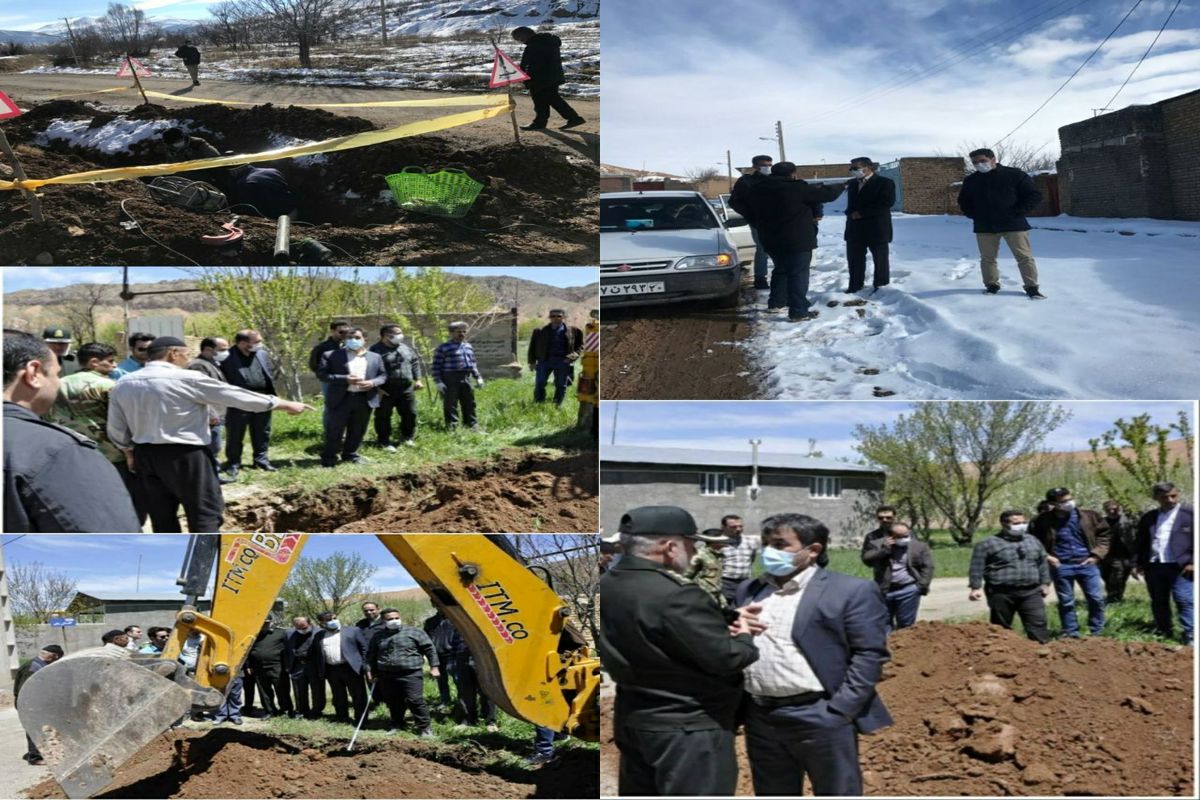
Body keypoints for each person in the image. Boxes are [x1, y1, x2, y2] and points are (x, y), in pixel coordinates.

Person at [600, 505, 760, 796]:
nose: (694, 550)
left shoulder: (610, 584)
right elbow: (727, 657)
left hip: (634, 720)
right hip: (687, 731)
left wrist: (729, 616)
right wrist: (745, 637)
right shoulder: (676, 594)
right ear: (671, 546)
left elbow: (656, 622)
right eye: (691, 543)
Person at [735, 512, 892, 797]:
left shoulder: (850, 591)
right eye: (766, 544)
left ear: (813, 550)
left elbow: (869, 653)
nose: (770, 552)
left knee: (836, 791)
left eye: (781, 545)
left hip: (820, 714)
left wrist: (841, 709)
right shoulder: (750, 589)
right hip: (761, 715)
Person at [108, 336, 312, 532]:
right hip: (186, 456)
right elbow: (235, 395)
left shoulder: (124, 383)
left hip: (145, 456)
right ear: (172, 354)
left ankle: (174, 559)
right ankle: (208, 560)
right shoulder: (185, 378)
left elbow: (116, 426)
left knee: (162, 517)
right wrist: (284, 404)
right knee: (205, 514)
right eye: (185, 354)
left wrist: (128, 451)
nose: (187, 359)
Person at [4, 329, 141, 533]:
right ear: (33, 374)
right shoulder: (58, 453)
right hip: (110, 454)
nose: (58, 381)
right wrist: (128, 449)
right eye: (55, 374)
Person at [50, 341, 148, 525]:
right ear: (94, 362)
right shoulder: (109, 386)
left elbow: (48, 419)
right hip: (113, 455)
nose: (114, 365)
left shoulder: (57, 385)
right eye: (110, 361)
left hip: (73, 454)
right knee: (126, 499)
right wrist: (130, 451)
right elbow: (125, 422)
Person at [742, 161, 847, 321]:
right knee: (798, 274)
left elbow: (745, 208)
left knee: (781, 269)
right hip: (797, 240)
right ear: (792, 173)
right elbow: (826, 195)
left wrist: (757, 223)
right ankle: (798, 311)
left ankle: (776, 303)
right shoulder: (796, 188)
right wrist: (842, 186)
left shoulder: (757, 189)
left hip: (770, 239)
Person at [956, 148, 1045, 299]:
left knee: (1024, 257)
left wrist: (1018, 211)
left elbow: (1034, 195)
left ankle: (1032, 287)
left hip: (1014, 224)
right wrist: (974, 215)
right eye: (975, 162)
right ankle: (991, 285)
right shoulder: (971, 180)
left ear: (993, 159)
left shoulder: (1014, 175)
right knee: (987, 258)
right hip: (985, 226)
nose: (979, 164)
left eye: (982, 160)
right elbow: (964, 201)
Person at [1031, 487, 1111, 638]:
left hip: (1087, 563)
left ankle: (1097, 631)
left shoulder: (1089, 516)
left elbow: (1104, 535)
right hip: (1061, 565)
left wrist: (1097, 555)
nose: (1069, 503)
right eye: (1063, 501)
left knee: (1096, 598)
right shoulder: (1041, 520)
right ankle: (1071, 632)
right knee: (1066, 601)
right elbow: (1032, 541)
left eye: (1069, 499)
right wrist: (1047, 556)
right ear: (1053, 503)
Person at [969, 510, 1052, 643]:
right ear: (1003, 524)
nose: (1021, 525)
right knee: (1000, 627)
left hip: (1031, 591)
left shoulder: (1033, 541)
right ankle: (1002, 654)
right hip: (1000, 592)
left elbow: (1042, 563)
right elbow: (977, 567)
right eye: (1016, 523)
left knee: (1038, 624)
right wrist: (975, 587)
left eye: (1024, 522)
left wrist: (1045, 583)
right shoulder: (987, 543)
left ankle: (1042, 652)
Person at [1134, 482, 1194, 645]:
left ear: (1178, 494)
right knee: (1159, 600)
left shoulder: (1190, 514)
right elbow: (1141, 541)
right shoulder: (1149, 517)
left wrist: (1193, 562)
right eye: (1164, 497)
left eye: (1173, 496)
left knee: (1184, 600)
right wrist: (1138, 563)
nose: (1170, 500)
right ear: (1156, 498)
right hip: (1155, 565)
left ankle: (1191, 634)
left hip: (1181, 566)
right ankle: (1164, 630)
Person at [318, 326, 386, 468]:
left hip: (364, 398)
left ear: (365, 340)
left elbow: (383, 375)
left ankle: (351, 454)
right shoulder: (331, 355)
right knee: (335, 429)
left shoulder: (375, 357)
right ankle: (329, 457)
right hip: (341, 398)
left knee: (358, 429)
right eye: (349, 338)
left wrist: (372, 383)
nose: (353, 340)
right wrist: (345, 379)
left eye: (357, 338)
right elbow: (323, 375)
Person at [365, 608, 439, 736]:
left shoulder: (415, 632)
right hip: (386, 674)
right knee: (393, 701)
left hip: (410, 673)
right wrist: (370, 671)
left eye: (396, 618)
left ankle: (424, 727)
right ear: (383, 621)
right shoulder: (378, 636)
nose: (394, 621)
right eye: (390, 619)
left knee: (415, 700)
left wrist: (434, 667)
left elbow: (430, 649)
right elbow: (371, 655)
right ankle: (397, 723)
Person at [220, 329, 281, 476]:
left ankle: (261, 460)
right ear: (242, 343)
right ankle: (233, 463)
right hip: (238, 401)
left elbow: (268, 373)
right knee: (235, 433)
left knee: (262, 431)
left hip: (262, 399)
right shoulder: (226, 358)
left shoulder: (262, 354)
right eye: (257, 341)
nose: (260, 344)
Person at [861, 521, 934, 631]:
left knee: (906, 625)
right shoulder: (878, 544)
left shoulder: (919, 546)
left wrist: (921, 586)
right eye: (900, 537)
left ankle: (904, 647)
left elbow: (928, 567)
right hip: (885, 591)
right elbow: (867, 560)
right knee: (883, 623)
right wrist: (883, 551)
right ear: (891, 536)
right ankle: (886, 646)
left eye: (906, 535)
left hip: (908, 590)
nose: (904, 539)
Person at [511, 26, 585, 130]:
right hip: (551, 76)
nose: (520, 41)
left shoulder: (536, 44)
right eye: (517, 39)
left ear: (526, 34)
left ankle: (541, 122)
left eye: (519, 38)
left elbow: (535, 64)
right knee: (552, 99)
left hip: (540, 78)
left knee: (541, 100)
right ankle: (572, 118)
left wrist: (529, 77)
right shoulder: (546, 42)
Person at [843, 157, 896, 294]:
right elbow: (851, 205)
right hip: (855, 229)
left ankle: (881, 286)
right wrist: (849, 213)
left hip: (876, 228)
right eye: (851, 168)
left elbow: (886, 203)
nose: (853, 171)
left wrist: (862, 213)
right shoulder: (853, 184)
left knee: (880, 261)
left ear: (868, 167)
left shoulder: (885, 183)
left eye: (856, 168)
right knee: (854, 261)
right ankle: (855, 286)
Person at [369, 323, 424, 450]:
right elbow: (369, 370)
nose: (399, 336)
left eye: (400, 333)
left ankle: (407, 437)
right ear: (384, 336)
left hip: (406, 388)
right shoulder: (375, 350)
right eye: (395, 334)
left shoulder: (405, 348)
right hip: (385, 390)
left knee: (410, 413)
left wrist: (418, 380)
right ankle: (384, 441)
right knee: (383, 416)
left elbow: (414, 362)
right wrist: (376, 388)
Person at [186, 337, 233, 484]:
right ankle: (209, 478)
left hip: (218, 413)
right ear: (207, 349)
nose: (226, 353)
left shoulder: (212, 364)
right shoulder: (198, 366)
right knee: (211, 447)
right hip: (210, 416)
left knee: (215, 446)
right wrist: (211, 413)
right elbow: (201, 393)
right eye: (222, 350)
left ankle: (213, 475)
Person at [308, 611, 369, 724]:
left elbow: (365, 649)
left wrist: (366, 667)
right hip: (331, 669)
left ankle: (361, 719)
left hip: (351, 668)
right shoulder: (319, 635)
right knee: (338, 696)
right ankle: (341, 718)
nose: (333, 621)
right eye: (328, 620)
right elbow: (316, 654)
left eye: (334, 618)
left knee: (358, 695)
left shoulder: (353, 631)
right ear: (321, 623)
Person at [728, 155, 775, 289]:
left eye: (770, 165)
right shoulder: (746, 181)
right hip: (758, 222)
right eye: (764, 165)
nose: (768, 168)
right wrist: (750, 214)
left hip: (779, 221)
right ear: (755, 166)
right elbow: (734, 201)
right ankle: (760, 278)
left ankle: (783, 277)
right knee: (762, 250)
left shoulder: (776, 180)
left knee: (781, 249)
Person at [15, 644, 64, 765]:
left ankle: (40, 752)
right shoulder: (33, 667)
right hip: (29, 703)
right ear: (53, 656)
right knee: (34, 728)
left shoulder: (38, 665)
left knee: (42, 728)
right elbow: (25, 689)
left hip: (35, 703)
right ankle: (34, 757)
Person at [431, 321, 483, 430]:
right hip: (450, 378)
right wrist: (438, 381)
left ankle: (472, 426)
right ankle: (452, 428)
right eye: (458, 331)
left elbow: (472, 363)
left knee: (469, 403)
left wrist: (478, 377)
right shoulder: (444, 348)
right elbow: (436, 366)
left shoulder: (468, 346)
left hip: (466, 377)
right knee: (451, 404)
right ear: (451, 333)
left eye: (464, 331)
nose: (462, 334)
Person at [446, 622, 498, 731]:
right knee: (465, 692)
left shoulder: (487, 624)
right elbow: (453, 646)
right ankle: (468, 720)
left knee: (486, 691)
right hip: (462, 658)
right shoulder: (459, 625)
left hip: (482, 658)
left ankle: (490, 721)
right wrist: (451, 663)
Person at [528, 309, 583, 406]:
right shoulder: (540, 331)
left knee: (561, 385)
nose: (556, 318)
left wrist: (570, 358)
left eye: (558, 316)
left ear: (564, 317)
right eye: (553, 316)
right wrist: (532, 362)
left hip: (563, 362)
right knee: (540, 383)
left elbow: (580, 346)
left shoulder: (574, 331)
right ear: (549, 318)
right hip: (544, 361)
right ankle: (538, 402)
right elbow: (532, 346)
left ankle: (557, 404)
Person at [246, 620, 293, 719]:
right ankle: (270, 711)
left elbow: (289, 650)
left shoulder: (281, 633)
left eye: (266, 623)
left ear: (271, 622)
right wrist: (248, 665)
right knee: (264, 691)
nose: (264, 624)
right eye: (262, 622)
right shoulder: (254, 634)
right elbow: (248, 650)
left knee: (282, 689)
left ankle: (286, 710)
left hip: (277, 666)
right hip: (259, 668)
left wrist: (288, 665)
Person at [310, 320, 350, 427]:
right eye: (341, 332)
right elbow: (314, 366)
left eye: (347, 332)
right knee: (331, 406)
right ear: (332, 332)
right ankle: (329, 431)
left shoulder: (350, 345)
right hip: (330, 382)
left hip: (349, 381)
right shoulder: (322, 348)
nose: (345, 335)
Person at [1101, 500, 1137, 603]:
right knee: (1107, 578)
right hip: (1106, 556)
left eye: (1114, 509)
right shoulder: (1102, 522)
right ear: (1105, 510)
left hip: (1123, 556)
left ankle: (1115, 599)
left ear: (1119, 508)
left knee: (1118, 579)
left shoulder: (1128, 522)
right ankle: (1113, 598)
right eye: (1109, 509)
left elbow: (1134, 539)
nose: (1112, 511)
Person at [685, 530, 733, 607]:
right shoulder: (699, 555)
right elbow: (686, 575)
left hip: (716, 594)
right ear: (714, 542)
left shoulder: (718, 556)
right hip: (703, 595)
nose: (726, 542)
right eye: (722, 540)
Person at [719, 514, 759, 605]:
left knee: (743, 607)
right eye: (733, 527)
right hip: (725, 582)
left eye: (741, 526)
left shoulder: (750, 541)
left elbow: (751, 559)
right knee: (726, 608)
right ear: (723, 527)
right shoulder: (718, 542)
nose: (738, 529)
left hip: (745, 582)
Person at [423, 606, 457, 711]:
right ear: (433, 605)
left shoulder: (455, 619)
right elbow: (426, 639)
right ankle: (445, 700)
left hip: (453, 654)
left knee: (458, 679)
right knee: (441, 680)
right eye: (435, 603)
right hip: (437, 655)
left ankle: (462, 701)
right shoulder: (430, 622)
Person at [285, 616, 320, 719]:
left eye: (304, 628)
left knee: (317, 690)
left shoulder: (318, 632)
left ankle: (316, 711)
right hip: (297, 666)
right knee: (299, 690)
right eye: (298, 628)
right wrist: (288, 666)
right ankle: (301, 711)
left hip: (313, 665)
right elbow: (286, 651)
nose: (301, 630)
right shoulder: (289, 634)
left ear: (309, 624)